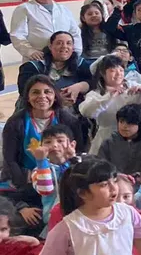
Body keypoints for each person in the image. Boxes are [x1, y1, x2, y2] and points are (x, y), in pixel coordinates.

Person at [1, 75, 87, 206]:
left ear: (55, 95)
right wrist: (24, 186)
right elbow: (10, 159)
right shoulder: (15, 123)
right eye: (35, 92)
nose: (42, 96)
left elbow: (79, 150)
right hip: (26, 180)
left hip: (61, 178)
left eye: (47, 92)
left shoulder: (69, 121)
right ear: (27, 97)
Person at [79, 55, 141, 153]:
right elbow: (86, 111)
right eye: (113, 70)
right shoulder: (96, 94)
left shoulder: (131, 87)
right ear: (102, 73)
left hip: (134, 137)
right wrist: (109, 97)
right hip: (106, 137)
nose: (118, 74)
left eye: (121, 70)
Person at [9, 0, 83, 64]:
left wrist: (76, 52)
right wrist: (30, 51)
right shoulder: (24, 9)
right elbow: (17, 35)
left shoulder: (63, 10)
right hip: (38, 58)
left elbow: (75, 32)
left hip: (65, 59)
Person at [16, 31, 93, 108]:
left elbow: (95, 82)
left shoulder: (81, 64)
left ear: (73, 48)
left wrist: (79, 86)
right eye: (59, 43)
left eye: (68, 43)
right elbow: (25, 92)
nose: (64, 46)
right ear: (50, 46)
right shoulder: (32, 67)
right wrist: (56, 98)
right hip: (38, 110)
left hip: (73, 111)